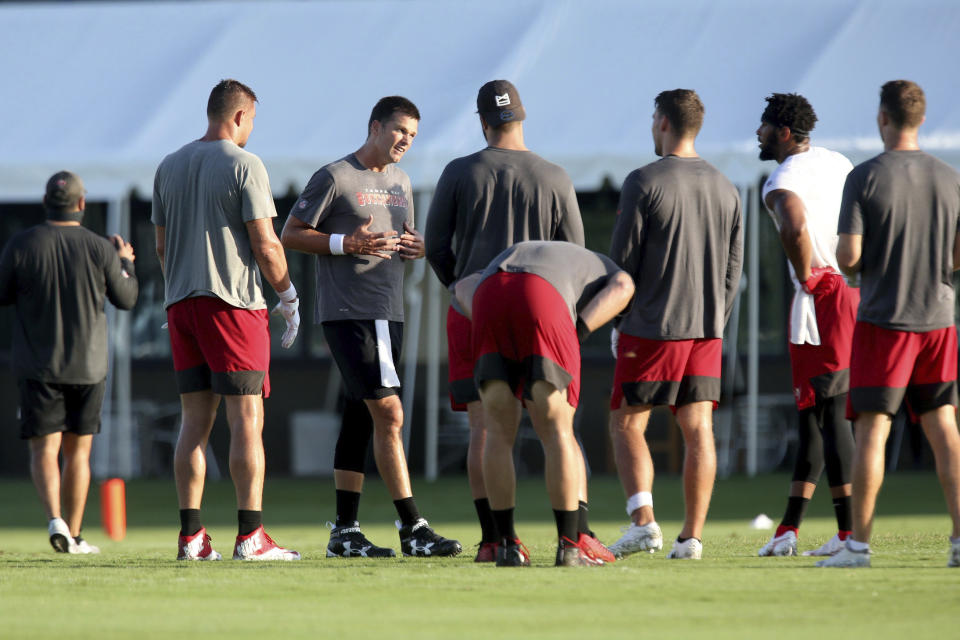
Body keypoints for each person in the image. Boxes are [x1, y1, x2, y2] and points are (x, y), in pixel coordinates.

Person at [425, 79, 603, 562]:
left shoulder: (460, 172)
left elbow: (435, 246)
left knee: (486, 430)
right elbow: (575, 253)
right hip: (542, 310)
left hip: (477, 307)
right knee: (558, 425)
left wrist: (462, 289)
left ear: (483, 122)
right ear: (522, 117)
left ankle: (495, 541)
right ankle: (575, 537)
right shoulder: (554, 176)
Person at [282, 96, 461, 558]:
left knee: (361, 417)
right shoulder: (335, 176)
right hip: (350, 312)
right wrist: (345, 242)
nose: (406, 141)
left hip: (390, 311)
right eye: (400, 130)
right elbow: (292, 232)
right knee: (391, 413)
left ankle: (344, 532)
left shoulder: (401, 182)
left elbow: (402, 240)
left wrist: (416, 248)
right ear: (376, 126)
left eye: (414, 135)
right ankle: (413, 528)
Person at [153, 79, 302, 561]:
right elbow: (266, 243)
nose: (252, 129)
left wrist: (179, 285)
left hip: (181, 304)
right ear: (240, 115)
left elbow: (160, 246)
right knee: (246, 420)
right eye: (253, 119)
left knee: (193, 422)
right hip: (232, 305)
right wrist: (289, 296)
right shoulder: (245, 164)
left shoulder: (168, 165)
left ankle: (191, 538)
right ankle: (251, 536)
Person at [819, 80, 960, 568]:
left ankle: (857, 546)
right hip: (939, 319)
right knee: (944, 427)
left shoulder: (864, 177)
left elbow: (850, 256)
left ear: (883, 118)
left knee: (873, 431)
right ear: (920, 119)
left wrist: (857, 261)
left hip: (885, 322)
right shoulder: (950, 177)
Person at [607, 89, 742, 560]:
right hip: (706, 328)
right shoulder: (726, 186)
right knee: (698, 427)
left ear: (663, 121)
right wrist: (715, 320)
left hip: (652, 325)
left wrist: (617, 319)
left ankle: (644, 524)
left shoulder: (644, 180)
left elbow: (623, 263)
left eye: (651, 118)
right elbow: (733, 268)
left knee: (625, 422)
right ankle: (692, 538)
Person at [453, 241, 634, 566]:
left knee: (496, 433)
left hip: (489, 295)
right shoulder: (607, 267)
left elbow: (463, 286)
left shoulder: (524, 252)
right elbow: (624, 286)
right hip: (543, 298)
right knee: (557, 431)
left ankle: (506, 545)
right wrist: (577, 329)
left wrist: (482, 312)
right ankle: (569, 546)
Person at [0, 170, 138, 554]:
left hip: (37, 365)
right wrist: (125, 262)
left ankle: (54, 520)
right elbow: (126, 299)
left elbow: (2, 293)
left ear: (46, 202)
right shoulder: (99, 248)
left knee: (44, 449)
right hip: (88, 367)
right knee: (79, 452)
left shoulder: (22, 244)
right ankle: (74, 536)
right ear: (81, 204)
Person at [754, 93, 859, 558]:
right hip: (852, 288)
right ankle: (789, 529)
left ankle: (848, 534)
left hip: (824, 292)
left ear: (783, 132)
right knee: (814, 412)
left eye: (763, 126)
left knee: (831, 413)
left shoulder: (781, 178)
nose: (757, 133)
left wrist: (805, 275)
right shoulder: (838, 162)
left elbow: (795, 227)